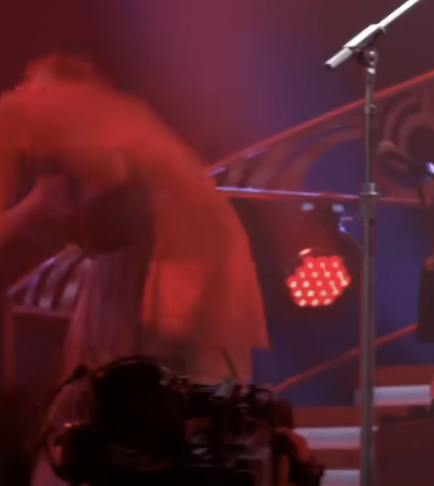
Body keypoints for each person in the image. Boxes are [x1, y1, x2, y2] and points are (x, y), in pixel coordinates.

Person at [0, 54, 269, 486]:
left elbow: (100, 210)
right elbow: (47, 210)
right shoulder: (114, 136)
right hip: (130, 283)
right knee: (116, 408)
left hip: (149, 281)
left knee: (129, 406)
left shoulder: (85, 139)